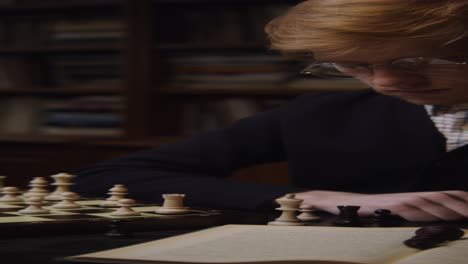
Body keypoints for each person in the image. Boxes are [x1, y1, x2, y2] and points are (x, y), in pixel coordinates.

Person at [74, 0, 468, 222]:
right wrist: (307, 196)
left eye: (416, 61)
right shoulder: (316, 113)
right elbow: (108, 176)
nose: (384, 82)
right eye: (358, 65)